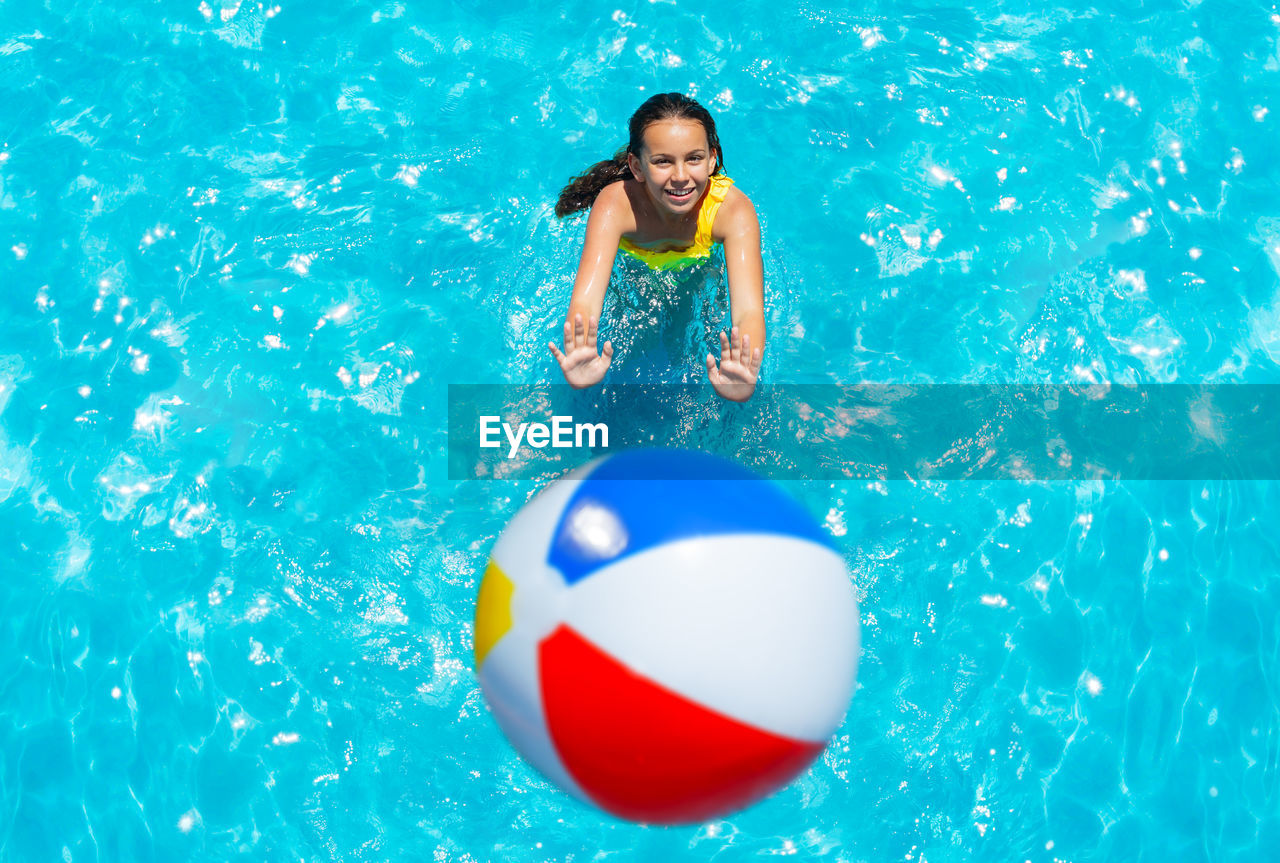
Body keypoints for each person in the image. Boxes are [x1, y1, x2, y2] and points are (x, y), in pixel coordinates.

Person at [547, 93, 765, 402]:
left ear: (712, 159)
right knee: (635, 354)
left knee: (686, 353)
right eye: (662, 161)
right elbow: (585, 301)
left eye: (694, 158)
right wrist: (582, 355)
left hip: (698, 271)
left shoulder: (732, 211)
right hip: (634, 273)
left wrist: (746, 368)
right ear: (636, 166)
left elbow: (748, 311)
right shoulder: (616, 205)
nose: (680, 176)